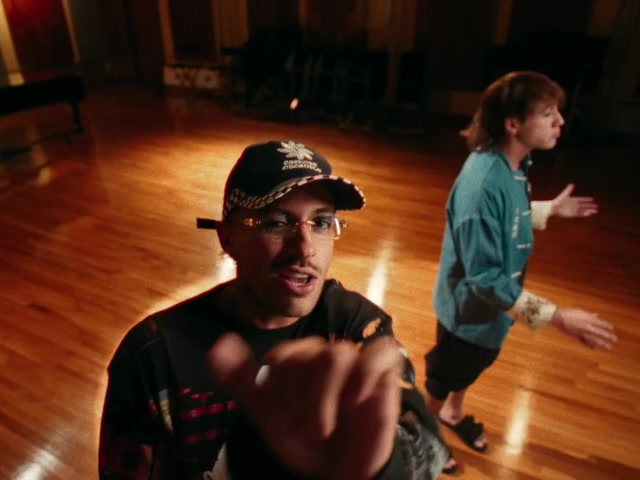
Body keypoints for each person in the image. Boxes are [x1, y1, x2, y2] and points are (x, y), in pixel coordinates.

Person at [99, 139, 451, 480]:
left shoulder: (356, 327)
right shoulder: (153, 355)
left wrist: (381, 466)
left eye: (321, 222)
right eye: (277, 222)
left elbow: (429, 450)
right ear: (227, 238)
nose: (306, 249)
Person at [424, 71, 618, 456]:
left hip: (495, 308)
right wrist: (558, 317)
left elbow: (506, 219)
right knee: (445, 377)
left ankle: (451, 412)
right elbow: (484, 278)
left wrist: (548, 209)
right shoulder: (482, 185)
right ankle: (423, 434)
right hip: (468, 314)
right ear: (513, 124)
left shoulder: (513, 163)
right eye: (548, 114)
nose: (560, 121)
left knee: (475, 364)